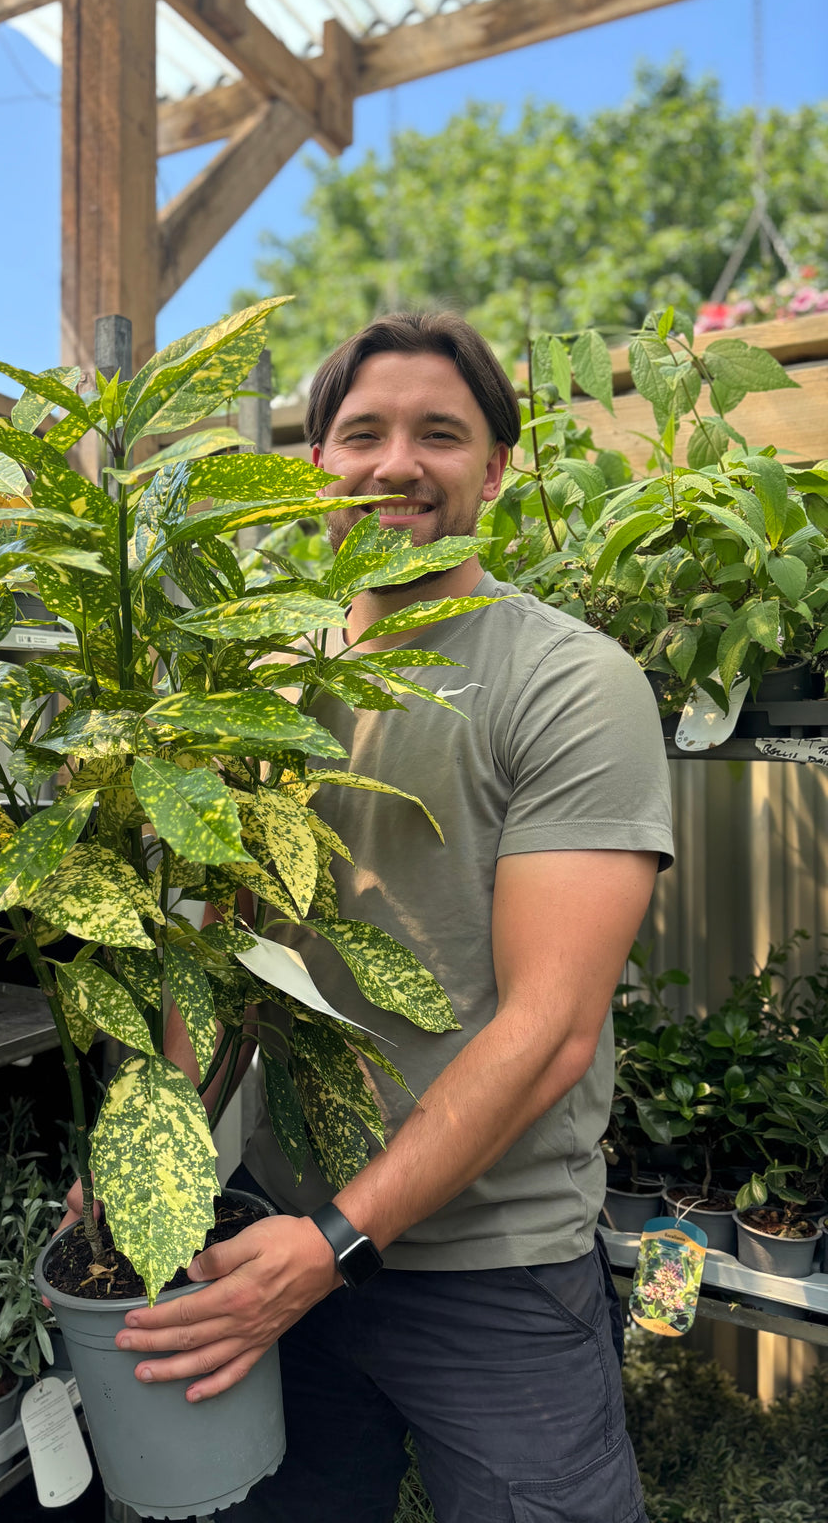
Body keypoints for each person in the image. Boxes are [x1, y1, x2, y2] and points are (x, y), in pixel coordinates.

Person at [74, 312, 673, 1523]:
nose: (397, 464)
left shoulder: (567, 681)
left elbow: (552, 1027)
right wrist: (160, 1154)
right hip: (269, 1235)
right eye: (364, 433)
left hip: (490, 1269)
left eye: (439, 434)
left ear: (495, 468)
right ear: (314, 467)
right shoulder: (263, 682)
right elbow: (224, 952)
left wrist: (337, 1242)